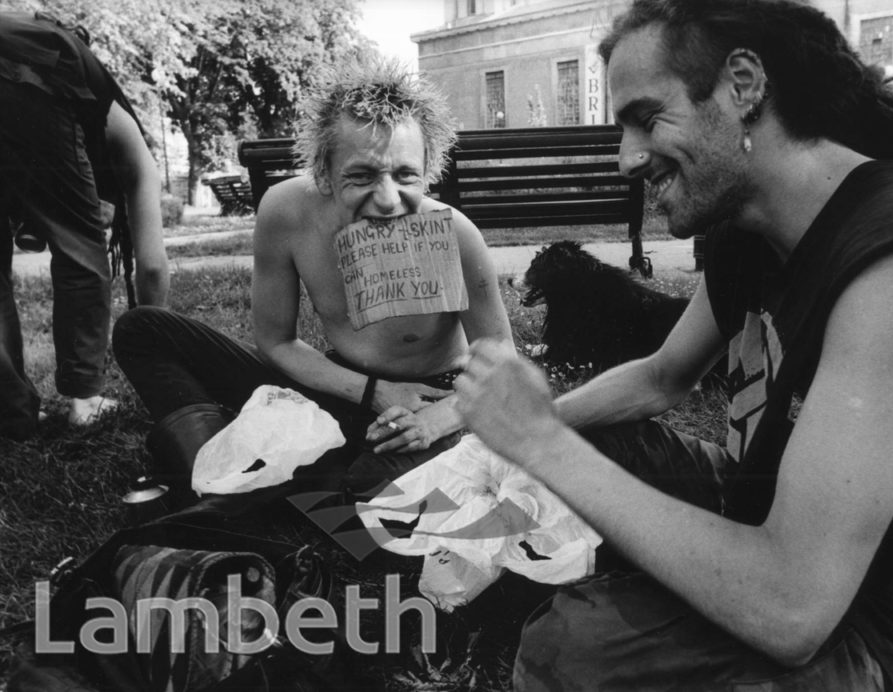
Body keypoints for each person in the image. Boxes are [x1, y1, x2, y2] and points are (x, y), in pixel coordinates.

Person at [454, 1, 893, 689]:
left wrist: (544, 444)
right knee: (599, 441)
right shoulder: (751, 228)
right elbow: (663, 378)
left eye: (646, 118)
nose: (626, 158)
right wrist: (500, 435)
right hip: (778, 513)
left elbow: (793, 608)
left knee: (575, 650)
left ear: (744, 85)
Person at [113, 55, 512, 504]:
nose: (386, 200)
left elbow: (503, 365)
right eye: (361, 175)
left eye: (405, 176)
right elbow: (276, 342)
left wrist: (435, 422)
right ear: (323, 172)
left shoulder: (455, 234)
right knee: (142, 329)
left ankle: (252, 482)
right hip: (335, 382)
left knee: (364, 492)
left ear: (428, 171)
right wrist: (372, 393)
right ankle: (211, 470)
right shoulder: (286, 211)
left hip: (427, 398)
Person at [0, 11, 169, 439]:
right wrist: (164, 342)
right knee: (81, 247)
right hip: (24, 77)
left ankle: (10, 412)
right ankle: (84, 400)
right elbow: (150, 266)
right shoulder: (120, 126)